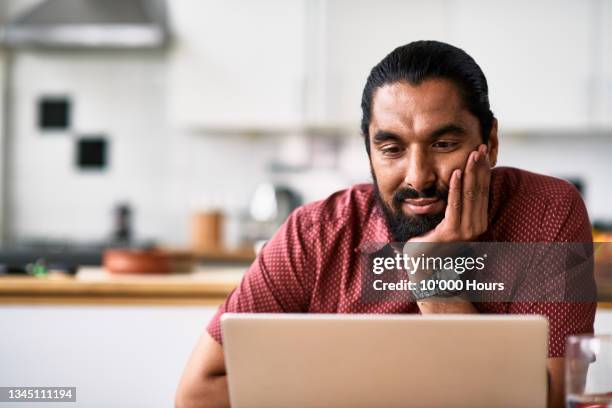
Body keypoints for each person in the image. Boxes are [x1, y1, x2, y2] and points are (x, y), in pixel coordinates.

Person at [175, 40, 596, 408]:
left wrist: (432, 281)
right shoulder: (314, 234)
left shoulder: (546, 214)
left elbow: (550, 400)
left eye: (444, 144)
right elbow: (197, 394)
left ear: (490, 142)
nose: (418, 177)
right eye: (392, 148)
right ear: (370, 153)